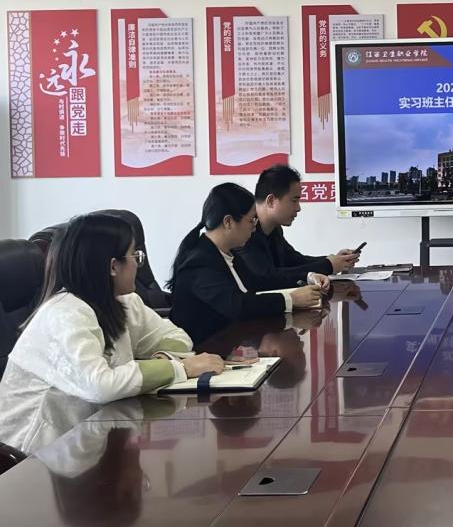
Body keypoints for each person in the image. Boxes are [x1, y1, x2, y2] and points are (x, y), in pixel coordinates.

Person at [0, 214, 224, 454]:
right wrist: (180, 368)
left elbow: (179, 339)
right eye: (135, 256)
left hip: (86, 438)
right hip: (30, 454)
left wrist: (161, 359)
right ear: (113, 266)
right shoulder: (65, 313)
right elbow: (100, 385)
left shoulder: (125, 302)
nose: (138, 264)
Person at [169, 183, 323, 346]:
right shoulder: (200, 263)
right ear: (228, 222)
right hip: (201, 350)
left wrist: (308, 277)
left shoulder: (227, 254)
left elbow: (260, 281)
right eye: (251, 221)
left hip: (231, 341)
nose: (254, 228)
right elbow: (238, 305)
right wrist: (291, 300)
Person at [236, 165, 361, 285]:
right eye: (294, 200)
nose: (298, 208)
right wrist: (328, 265)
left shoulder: (274, 228)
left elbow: (294, 260)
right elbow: (266, 276)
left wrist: (333, 259)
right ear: (271, 201)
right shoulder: (244, 231)